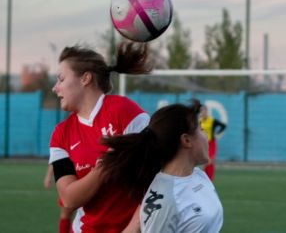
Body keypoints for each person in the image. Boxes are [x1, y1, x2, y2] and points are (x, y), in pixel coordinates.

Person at [49, 41, 151, 232]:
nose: (55, 88)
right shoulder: (60, 134)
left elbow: (156, 179)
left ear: (85, 78)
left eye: (61, 79)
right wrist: (105, 165)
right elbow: (69, 198)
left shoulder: (125, 112)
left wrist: (132, 228)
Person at [99, 100, 224, 233]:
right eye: (201, 129)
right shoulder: (166, 200)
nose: (206, 135)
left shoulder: (198, 174)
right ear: (186, 140)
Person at [43, 165, 75, 233]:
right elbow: (56, 157)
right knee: (66, 212)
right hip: (70, 175)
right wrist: (48, 176)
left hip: (88, 174)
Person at [199, 104, 226, 181]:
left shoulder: (212, 120)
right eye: (201, 111)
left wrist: (217, 133)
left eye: (204, 110)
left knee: (210, 160)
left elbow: (223, 126)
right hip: (203, 144)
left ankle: (209, 178)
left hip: (211, 143)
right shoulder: (199, 121)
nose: (202, 112)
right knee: (205, 160)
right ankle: (206, 178)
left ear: (207, 111)